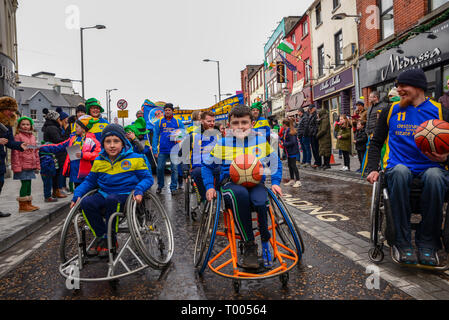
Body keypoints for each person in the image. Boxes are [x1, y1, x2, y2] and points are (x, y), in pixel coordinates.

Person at [366, 68, 449, 266]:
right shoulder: (390, 111)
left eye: (403, 85)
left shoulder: (440, 111)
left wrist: (445, 157)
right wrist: (372, 168)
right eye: (397, 85)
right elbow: (376, 142)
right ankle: (401, 242)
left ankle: (428, 243)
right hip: (398, 168)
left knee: (436, 176)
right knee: (401, 172)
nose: (399, 89)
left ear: (418, 87)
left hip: (431, 167)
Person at [203, 104, 283, 269]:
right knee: (240, 195)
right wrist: (210, 186)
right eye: (236, 123)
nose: (240, 127)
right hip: (231, 183)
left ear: (251, 124)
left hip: (255, 182)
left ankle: (266, 242)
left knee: (261, 202)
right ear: (229, 125)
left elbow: (275, 162)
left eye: (244, 122)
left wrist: (275, 183)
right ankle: (249, 245)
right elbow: (206, 166)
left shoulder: (260, 141)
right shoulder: (223, 143)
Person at [71, 124, 154, 258]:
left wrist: (139, 190)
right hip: (105, 193)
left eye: (116, 141)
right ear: (103, 144)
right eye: (108, 142)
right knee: (86, 202)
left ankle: (111, 238)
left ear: (123, 142)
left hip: (126, 195)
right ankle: (101, 235)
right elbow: (90, 181)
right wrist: (78, 194)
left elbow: (147, 179)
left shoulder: (135, 158)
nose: (112, 145)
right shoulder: (98, 160)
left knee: (112, 200)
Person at [40, 115, 101, 189]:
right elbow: (60, 146)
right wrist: (43, 148)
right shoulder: (73, 139)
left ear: (83, 128)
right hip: (75, 174)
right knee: (77, 192)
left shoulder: (92, 141)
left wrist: (83, 155)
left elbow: (97, 154)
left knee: (86, 195)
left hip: (87, 174)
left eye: (77, 127)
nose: (75, 129)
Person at [0, 97, 27, 217]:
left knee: (0, 183)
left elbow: (9, 142)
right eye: (8, 110)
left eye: (12, 110)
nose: (11, 112)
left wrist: (20, 145)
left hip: (0, 158)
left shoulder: (8, 124)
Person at [184, 110, 220, 202]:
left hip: (215, 165)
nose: (212, 123)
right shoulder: (192, 136)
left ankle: (218, 196)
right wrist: (185, 169)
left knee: (223, 172)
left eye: (213, 121)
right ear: (202, 121)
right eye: (209, 121)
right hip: (198, 166)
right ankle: (204, 197)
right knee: (198, 172)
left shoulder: (218, 135)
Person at [152, 103, 185, 194]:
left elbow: (183, 133)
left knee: (174, 169)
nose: (167, 111)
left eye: (169, 110)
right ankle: (160, 186)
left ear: (172, 111)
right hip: (162, 150)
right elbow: (155, 136)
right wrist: (155, 150)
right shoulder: (159, 122)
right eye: (165, 110)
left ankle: (173, 188)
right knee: (159, 168)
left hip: (174, 150)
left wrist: (176, 136)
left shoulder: (178, 122)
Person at [11, 117, 41, 212]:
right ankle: (22, 205)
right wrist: (17, 166)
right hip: (22, 165)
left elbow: (35, 152)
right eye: (23, 124)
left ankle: (28, 203)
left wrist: (37, 165)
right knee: (24, 183)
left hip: (30, 164)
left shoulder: (32, 136)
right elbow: (15, 152)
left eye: (27, 124)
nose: (25, 126)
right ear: (19, 125)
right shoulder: (18, 136)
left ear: (31, 126)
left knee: (28, 183)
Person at [42, 108, 67, 199]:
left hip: (55, 154)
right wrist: (67, 139)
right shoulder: (52, 128)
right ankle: (55, 191)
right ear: (55, 119)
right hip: (55, 155)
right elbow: (58, 141)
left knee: (56, 174)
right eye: (59, 119)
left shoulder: (52, 127)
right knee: (56, 174)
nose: (61, 121)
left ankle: (55, 191)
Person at [281, 119, 301, 188]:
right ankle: (292, 179)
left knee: (293, 166)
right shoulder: (286, 131)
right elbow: (284, 138)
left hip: (293, 151)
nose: (281, 126)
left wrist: (284, 144)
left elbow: (293, 142)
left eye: (282, 124)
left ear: (284, 124)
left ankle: (298, 181)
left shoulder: (290, 131)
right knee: (290, 166)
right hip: (289, 152)